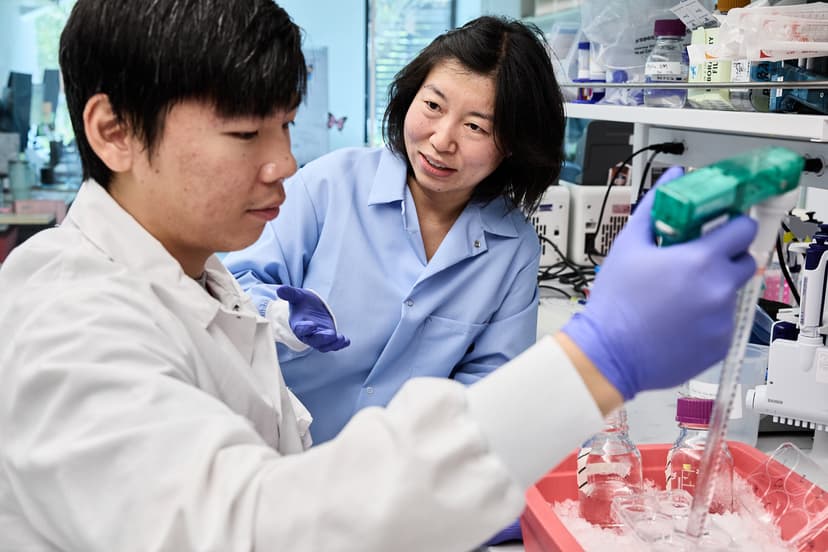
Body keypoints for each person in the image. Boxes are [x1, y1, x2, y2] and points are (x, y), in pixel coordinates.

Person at [0, 1, 758, 551]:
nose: (286, 165)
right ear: (113, 132)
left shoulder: (190, 279)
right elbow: (252, 527)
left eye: (286, 127)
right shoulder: (68, 323)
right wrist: (601, 358)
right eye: (245, 134)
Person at [223, 15, 563, 447]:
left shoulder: (512, 248)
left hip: (403, 479)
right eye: (433, 106)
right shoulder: (327, 185)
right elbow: (232, 291)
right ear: (409, 97)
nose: (442, 140)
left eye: (476, 126)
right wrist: (279, 316)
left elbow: (490, 386)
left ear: (512, 144)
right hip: (281, 454)